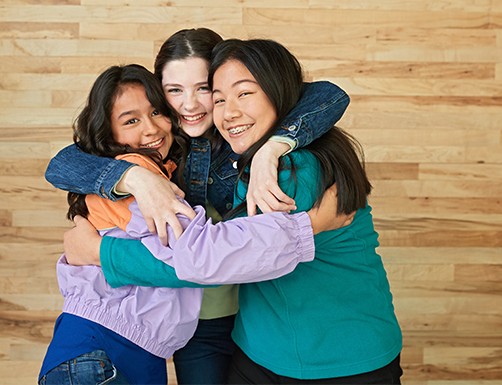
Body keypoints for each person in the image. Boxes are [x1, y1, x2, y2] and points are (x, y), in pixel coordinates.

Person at [71, 39, 404, 384]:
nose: (227, 112)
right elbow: (72, 157)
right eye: (219, 99)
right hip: (259, 352)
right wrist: (136, 177)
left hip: (339, 359)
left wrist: (99, 251)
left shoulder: (298, 169)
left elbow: (209, 256)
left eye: (244, 93)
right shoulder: (184, 154)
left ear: (279, 93)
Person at [39, 64, 340, 385]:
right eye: (131, 121)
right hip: (101, 351)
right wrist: (307, 226)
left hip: (125, 353)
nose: (152, 129)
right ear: (108, 134)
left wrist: (272, 148)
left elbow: (324, 95)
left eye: (157, 112)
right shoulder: (135, 172)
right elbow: (198, 256)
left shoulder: (163, 167)